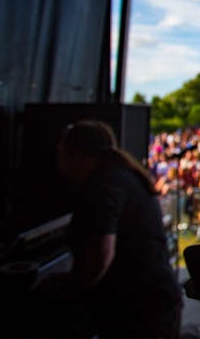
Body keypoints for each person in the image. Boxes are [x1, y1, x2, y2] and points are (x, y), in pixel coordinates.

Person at [47, 120, 181, 337]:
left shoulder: (103, 184)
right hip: (152, 303)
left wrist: (68, 291)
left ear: (79, 155)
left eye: (61, 152)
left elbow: (102, 253)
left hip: (137, 312)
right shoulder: (123, 176)